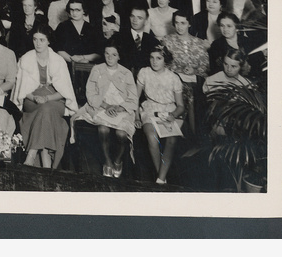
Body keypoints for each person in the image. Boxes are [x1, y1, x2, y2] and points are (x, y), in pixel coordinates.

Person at [12, 23, 77, 169]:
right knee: (45, 111)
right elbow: (22, 89)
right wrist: (34, 98)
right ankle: (46, 161)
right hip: (32, 99)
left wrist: (47, 98)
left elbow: (64, 92)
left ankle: (32, 154)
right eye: (35, 39)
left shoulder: (58, 61)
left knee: (46, 109)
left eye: (42, 40)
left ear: (49, 41)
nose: (38, 43)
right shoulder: (26, 59)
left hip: (54, 99)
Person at [70, 41, 138, 178]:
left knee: (121, 134)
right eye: (107, 53)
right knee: (103, 129)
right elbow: (90, 93)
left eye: (114, 54)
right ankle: (107, 161)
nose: (110, 57)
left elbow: (133, 98)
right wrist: (105, 106)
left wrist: (118, 107)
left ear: (119, 56)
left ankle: (117, 160)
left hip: (121, 110)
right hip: (101, 107)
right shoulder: (97, 69)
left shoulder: (126, 73)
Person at [136, 46, 186, 185]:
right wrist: (136, 117)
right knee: (152, 138)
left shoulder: (173, 78)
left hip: (169, 110)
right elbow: (135, 97)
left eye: (159, 58)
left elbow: (181, 106)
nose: (154, 61)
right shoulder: (144, 72)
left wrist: (173, 114)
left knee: (171, 141)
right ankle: (161, 178)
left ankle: (160, 179)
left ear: (166, 60)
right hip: (150, 108)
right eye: (152, 58)